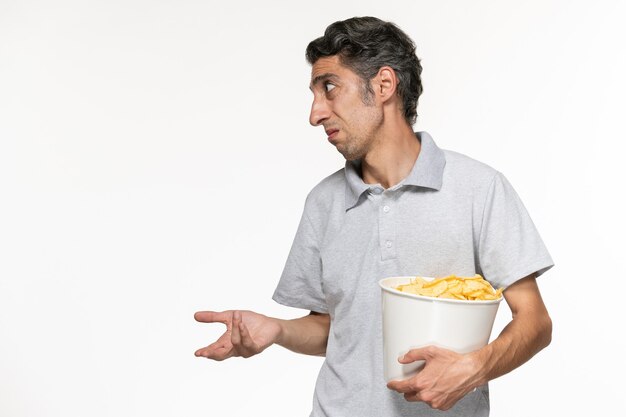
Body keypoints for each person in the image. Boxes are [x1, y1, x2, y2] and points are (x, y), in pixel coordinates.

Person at [194, 16, 553, 417]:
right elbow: (335, 329)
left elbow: (535, 321)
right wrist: (276, 330)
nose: (315, 114)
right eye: (314, 94)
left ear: (383, 85)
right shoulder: (323, 202)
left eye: (329, 88)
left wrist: (474, 368)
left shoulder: (479, 188)